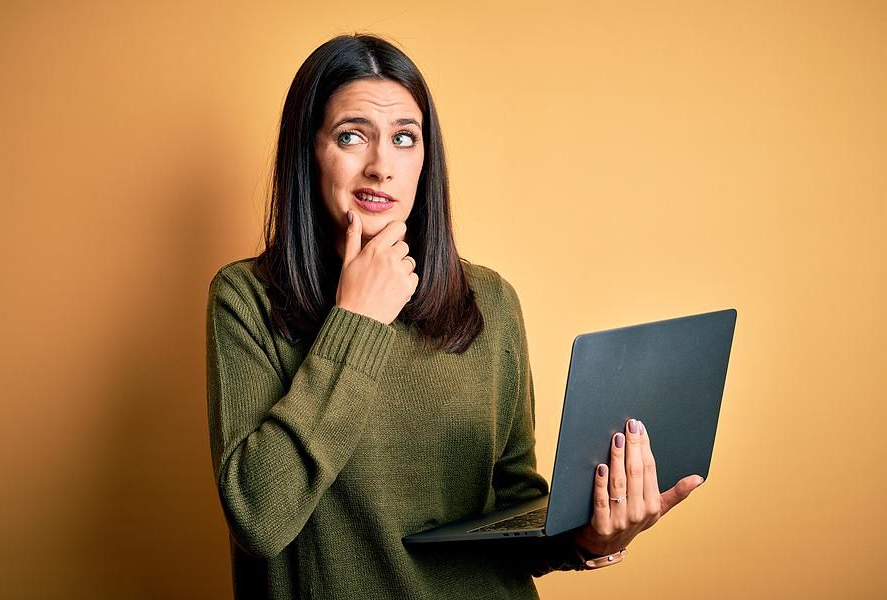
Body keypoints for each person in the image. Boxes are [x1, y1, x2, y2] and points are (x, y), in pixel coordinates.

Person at [205, 33, 705, 600]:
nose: (381, 166)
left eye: (403, 138)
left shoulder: (487, 300)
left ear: (426, 157)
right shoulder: (247, 298)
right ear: (308, 150)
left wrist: (589, 536)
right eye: (351, 136)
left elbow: (516, 512)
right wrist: (356, 321)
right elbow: (260, 519)